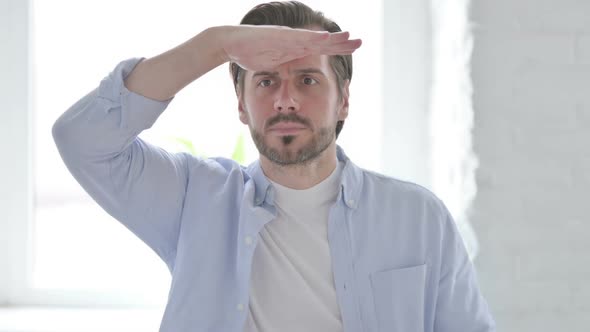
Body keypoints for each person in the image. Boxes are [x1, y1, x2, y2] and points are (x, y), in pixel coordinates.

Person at [53, 1, 496, 331]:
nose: (285, 98)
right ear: (242, 106)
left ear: (343, 100)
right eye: (266, 81)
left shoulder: (418, 218)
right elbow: (82, 140)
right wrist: (216, 45)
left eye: (307, 79)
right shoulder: (193, 199)